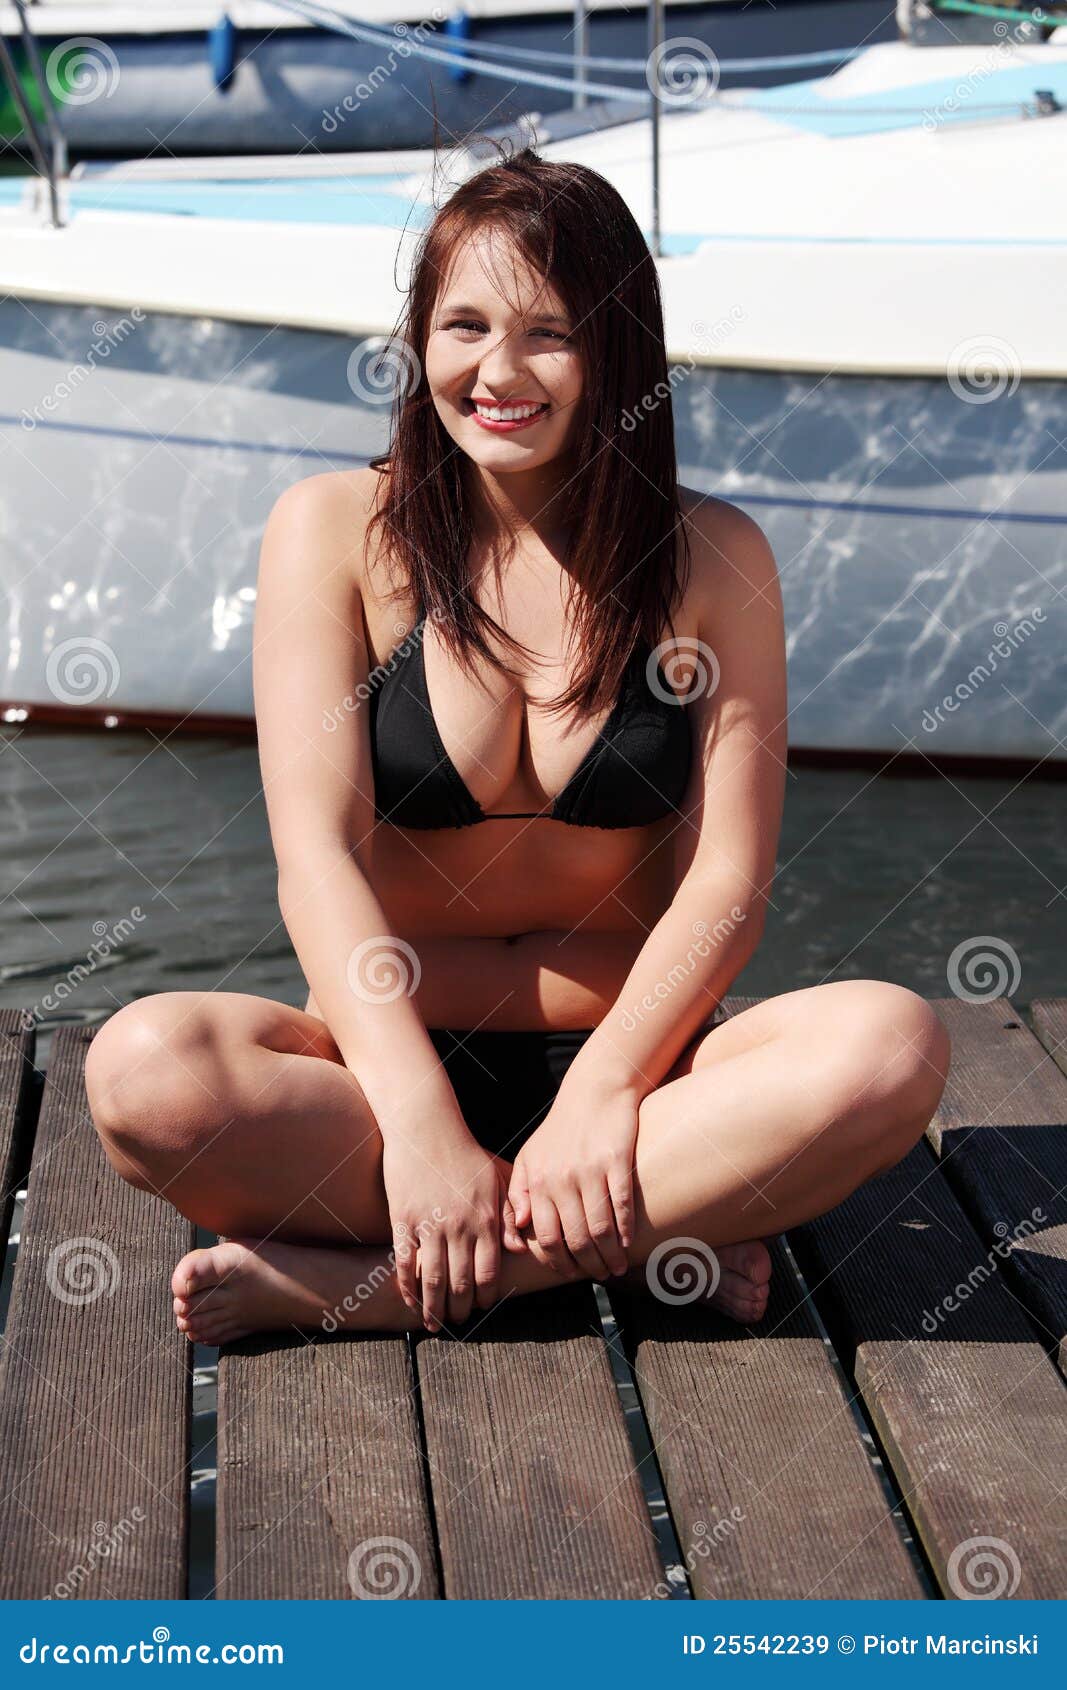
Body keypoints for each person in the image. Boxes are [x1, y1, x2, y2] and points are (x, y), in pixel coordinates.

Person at [84, 146, 950, 1346]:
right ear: (418, 341)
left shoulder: (712, 560)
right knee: (143, 1069)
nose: (498, 372)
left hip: (642, 1081)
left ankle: (396, 1284)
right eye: (463, 325)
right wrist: (423, 1122)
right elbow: (318, 860)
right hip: (379, 1082)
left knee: (887, 1045)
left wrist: (602, 1093)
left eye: (547, 332)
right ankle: (644, 1239)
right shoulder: (335, 533)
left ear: (616, 350)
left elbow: (726, 885)